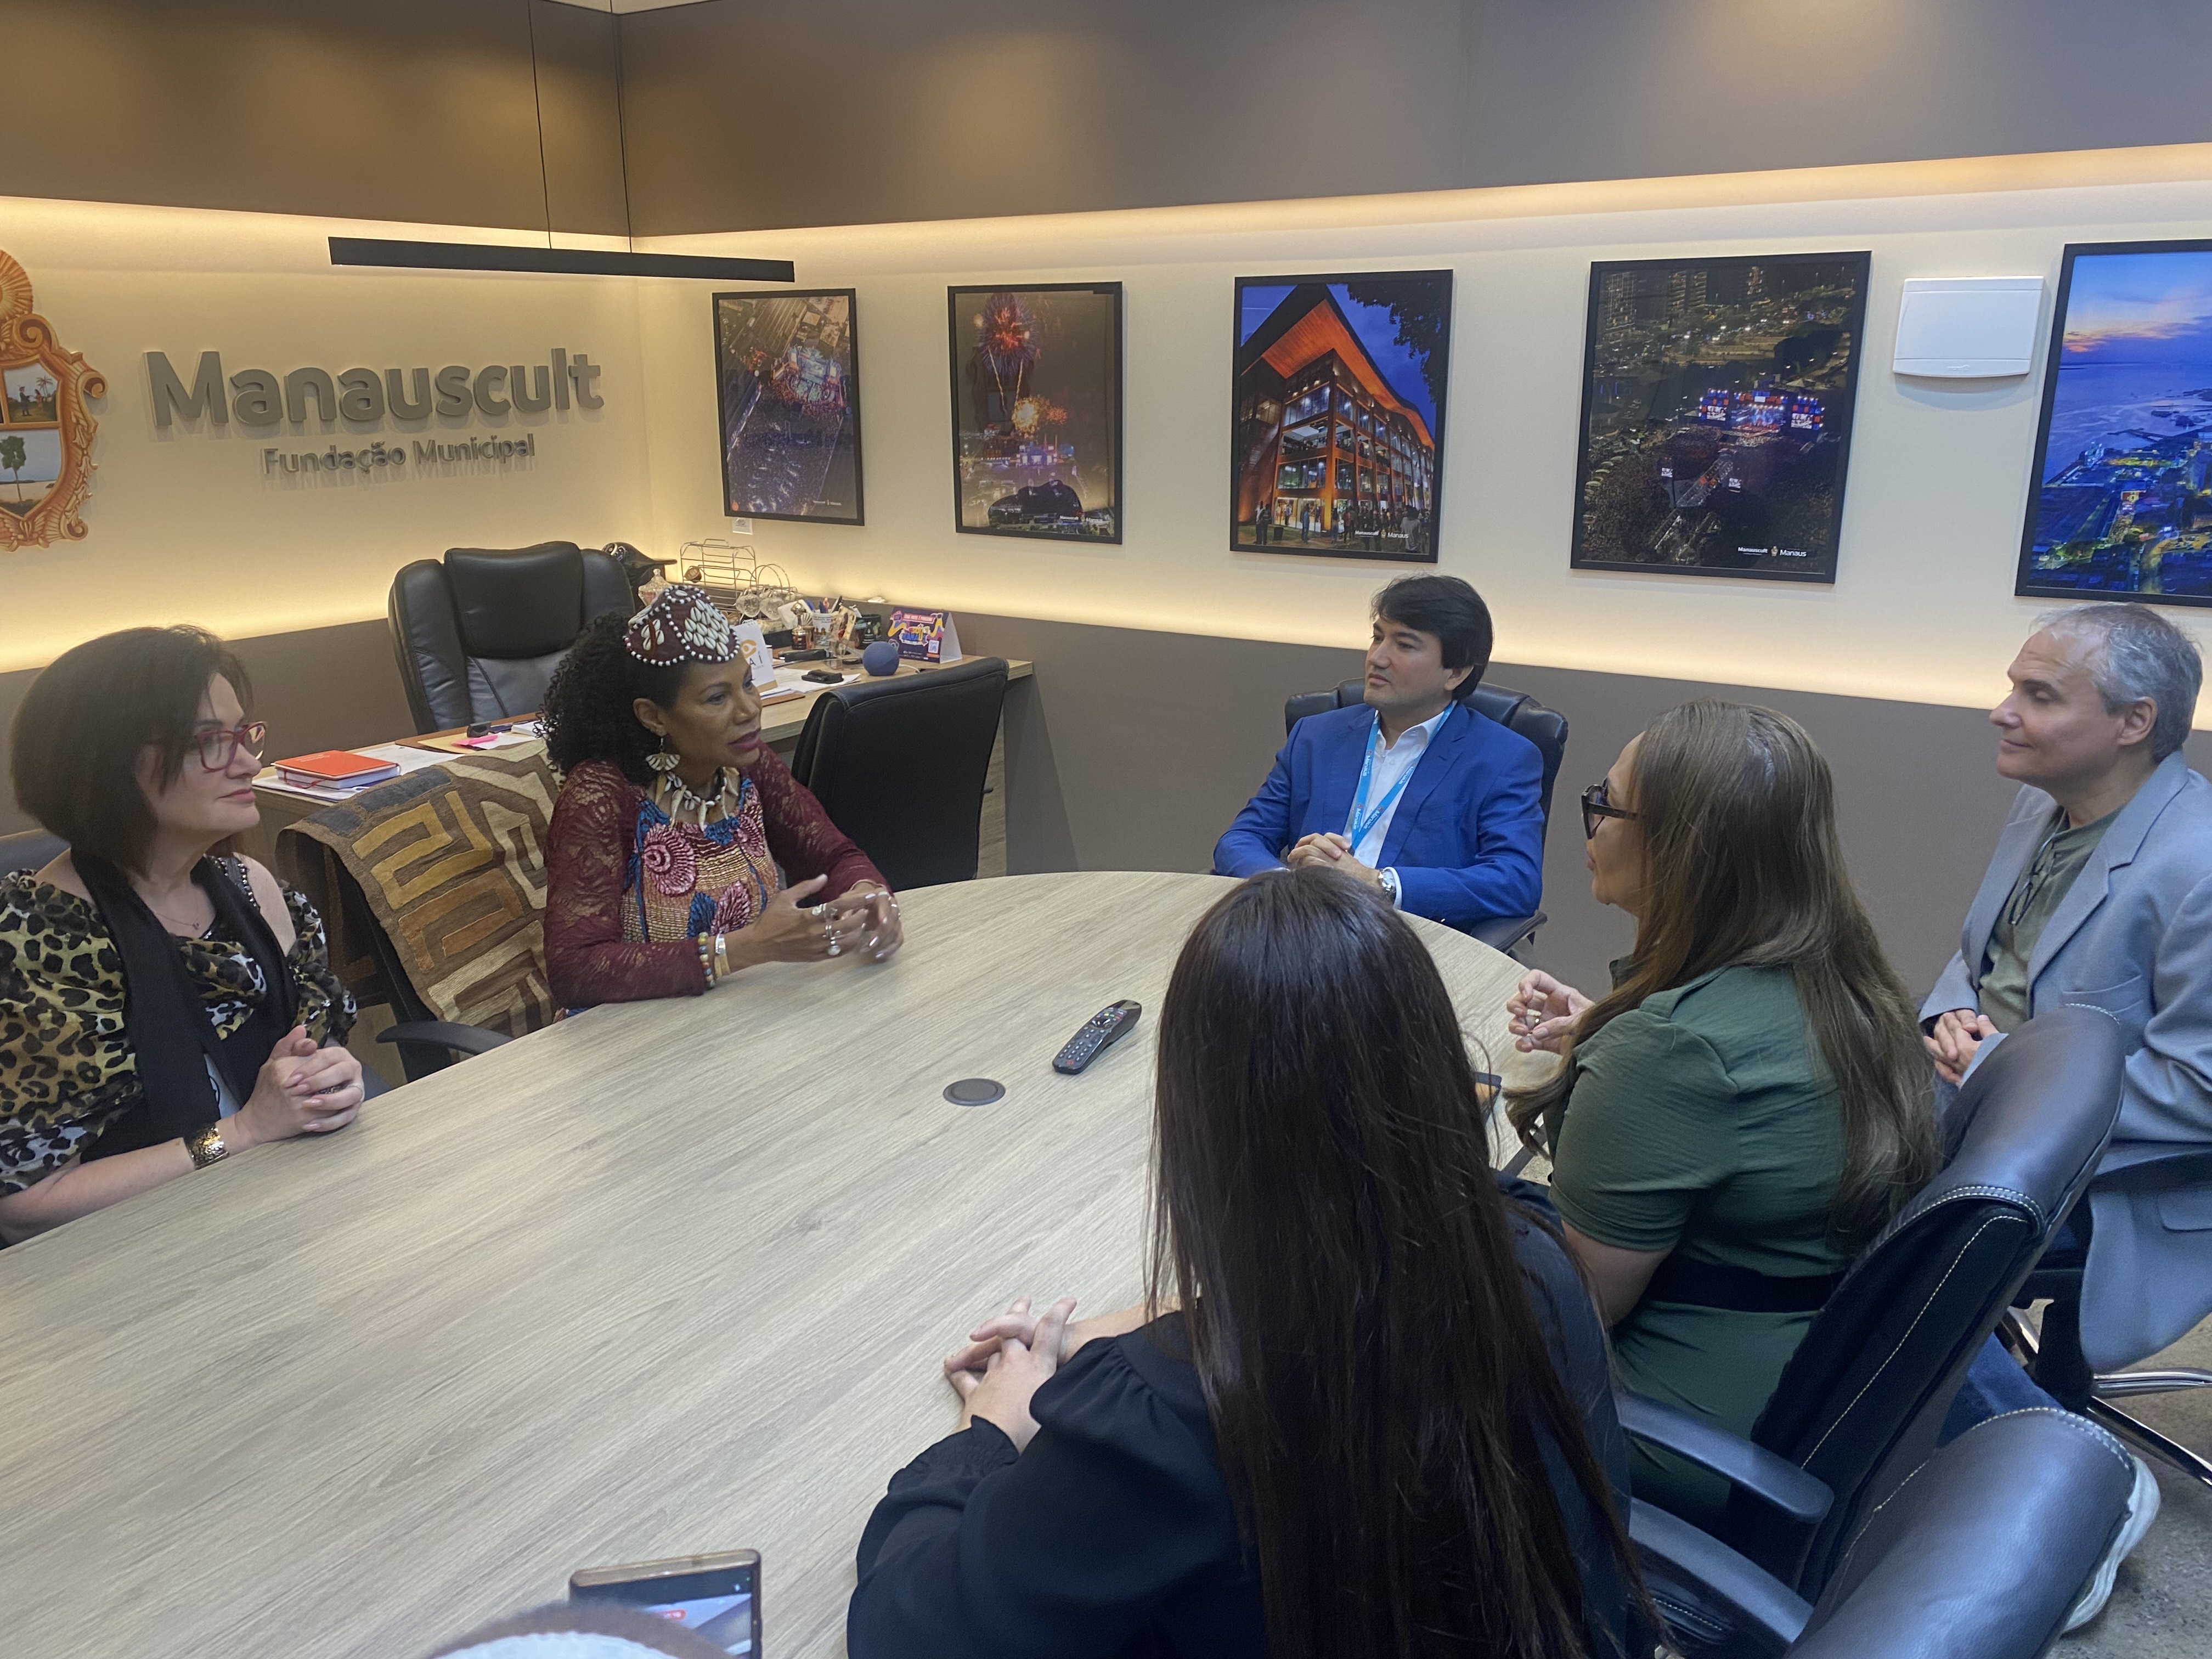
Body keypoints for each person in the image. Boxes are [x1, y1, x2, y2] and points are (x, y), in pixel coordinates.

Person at [851, 868, 1642, 1659]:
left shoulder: (1167, 1426)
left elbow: (903, 1633)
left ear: (1202, 1124)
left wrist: (991, 1427)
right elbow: (1347, 1268)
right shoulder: (1534, 1251)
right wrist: (1122, 1333)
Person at [1504, 699, 1936, 1521]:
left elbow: (1576, 1309)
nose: (1591, 824)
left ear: (1683, 847)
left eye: (1605, 804)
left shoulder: (1671, 1052)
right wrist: (1606, 1031)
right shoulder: (1849, 982)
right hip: (1808, 1367)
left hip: (1676, 1419)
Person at [1921, 604, 2208, 1625]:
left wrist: (2006, 1070)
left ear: (2134, 722)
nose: (2002, 711)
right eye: (2013, 686)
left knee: (1867, 1236)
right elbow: (1981, 958)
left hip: (2123, 1171)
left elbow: (2202, 1089)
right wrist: (1948, 1014)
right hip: (1994, 1117)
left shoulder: (2198, 864)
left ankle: (2076, 1479)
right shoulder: (2043, 808)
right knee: (1798, 1170)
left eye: (2037, 695)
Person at [0, 627, 363, 1245]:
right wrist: (243, 1133)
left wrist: (326, 1081)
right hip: (137, 1257)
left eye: (243, 735)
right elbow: (26, 1204)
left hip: (291, 1219)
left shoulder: (253, 888)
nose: (249, 763)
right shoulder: (38, 938)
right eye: (210, 743)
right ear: (104, 764)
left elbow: (309, 1060)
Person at [540, 584, 902, 1007]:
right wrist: (745, 949)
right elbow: (575, 970)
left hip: (741, 1012)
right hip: (638, 1034)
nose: (749, 709)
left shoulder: (746, 766)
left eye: (748, 684)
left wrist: (869, 895)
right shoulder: (601, 796)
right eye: (717, 698)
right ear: (653, 716)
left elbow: (833, 857)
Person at [1214, 574, 1543, 933]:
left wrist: (1378, 884)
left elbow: (1515, 880)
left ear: (1456, 673)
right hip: (1302, 934)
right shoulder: (1317, 736)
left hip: (1408, 942)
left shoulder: (1502, 758)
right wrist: (1288, 888)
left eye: (1404, 645)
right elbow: (1241, 839)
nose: (1378, 658)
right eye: (1377, 637)